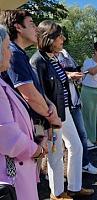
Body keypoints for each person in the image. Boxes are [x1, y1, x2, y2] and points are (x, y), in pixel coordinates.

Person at [30, 20, 94, 200]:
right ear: (49, 38)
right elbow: (39, 94)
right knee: (55, 155)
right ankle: (57, 193)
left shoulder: (53, 57)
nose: (63, 39)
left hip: (63, 111)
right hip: (51, 116)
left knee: (76, 146)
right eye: (59, 36)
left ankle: (74, 187)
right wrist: (48, 120)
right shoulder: (37, 61)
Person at [0, 10, 61, 147]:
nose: (36, 30)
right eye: (32, 24)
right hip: (24, 128)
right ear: (18, 27)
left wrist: (49, 104)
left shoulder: (20, 54)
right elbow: (30, 95)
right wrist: (53, 118)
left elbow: (35, 89)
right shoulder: (14, 54)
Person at [0, 24, 46, 200]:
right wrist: (37, 150)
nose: (9, 53)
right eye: (5, 48)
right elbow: (8, 137)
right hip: (11, 174)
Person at [57, 49, 97, 174]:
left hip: (74, 102)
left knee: (82, 134)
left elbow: (76, 73)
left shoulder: (66, 55)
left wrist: (77, 76)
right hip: (61, 104)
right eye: (59, 37)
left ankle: (84, 164)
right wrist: (69, 75)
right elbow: (52, 75)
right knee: (60, 140)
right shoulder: (44, 58)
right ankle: (56, 172)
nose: (62, 40)